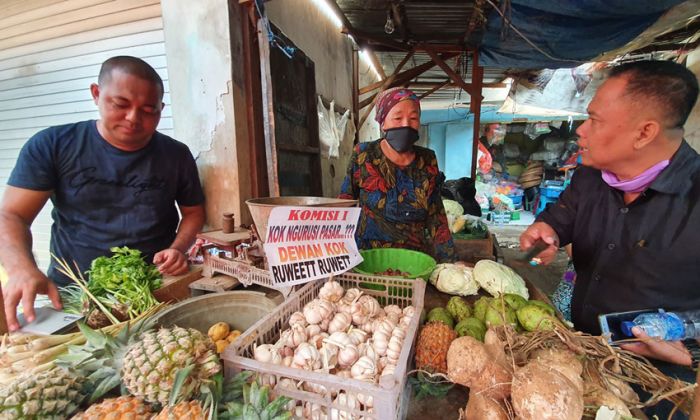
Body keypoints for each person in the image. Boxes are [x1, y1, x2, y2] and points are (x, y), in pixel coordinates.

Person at [519, 60, 699, 418]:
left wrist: (690, 352)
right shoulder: (591, 175)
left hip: (665, 387)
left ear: (644, 133)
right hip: (585, 358)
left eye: (595, 120)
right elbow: (563, 215)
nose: (581, 131)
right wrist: (548, 229)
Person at [0, 56, 205, 331]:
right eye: (120, 104)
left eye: (148, 110)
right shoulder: (52, 145)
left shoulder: (176, 155)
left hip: (152, 292)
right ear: (96, 94)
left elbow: (193, 213)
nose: (133, 118)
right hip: (74, 298)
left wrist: (177, 249)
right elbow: (12, 215)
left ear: (161, 109)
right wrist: (21, 268)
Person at [338, 87, 455, 262]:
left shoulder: (427, 159)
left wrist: (450, 260)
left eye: (413, 118)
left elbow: (435, 213)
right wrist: (337, 252)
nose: (406, 124)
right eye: (398, 118)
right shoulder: (364, 154)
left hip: (413, 258)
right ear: (383, 122)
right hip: (368, 257)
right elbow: (344, 203)